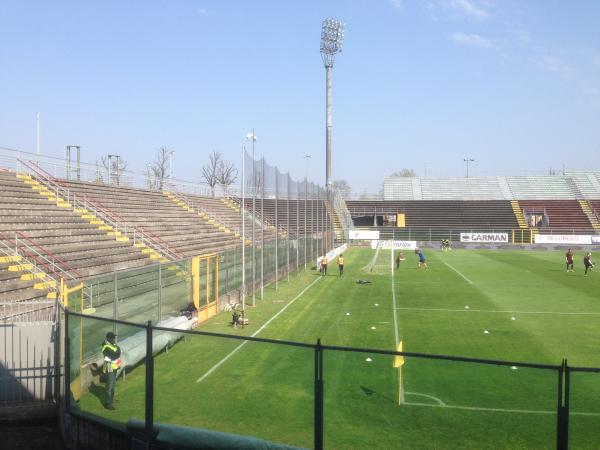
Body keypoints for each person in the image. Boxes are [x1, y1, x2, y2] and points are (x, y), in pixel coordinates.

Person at [102, 332, 122, 410]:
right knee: (109, 386)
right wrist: (117, 352)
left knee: (113, 385)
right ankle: (108, 403)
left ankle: (111, 400)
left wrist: (117, 352)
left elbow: (118, 351)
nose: (114, 339)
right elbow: (114, 355)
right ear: (108, 338)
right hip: (109, 367)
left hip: (114, 367)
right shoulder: (105, 346)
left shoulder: (112, 345)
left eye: (114, 337)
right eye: (113, 338)